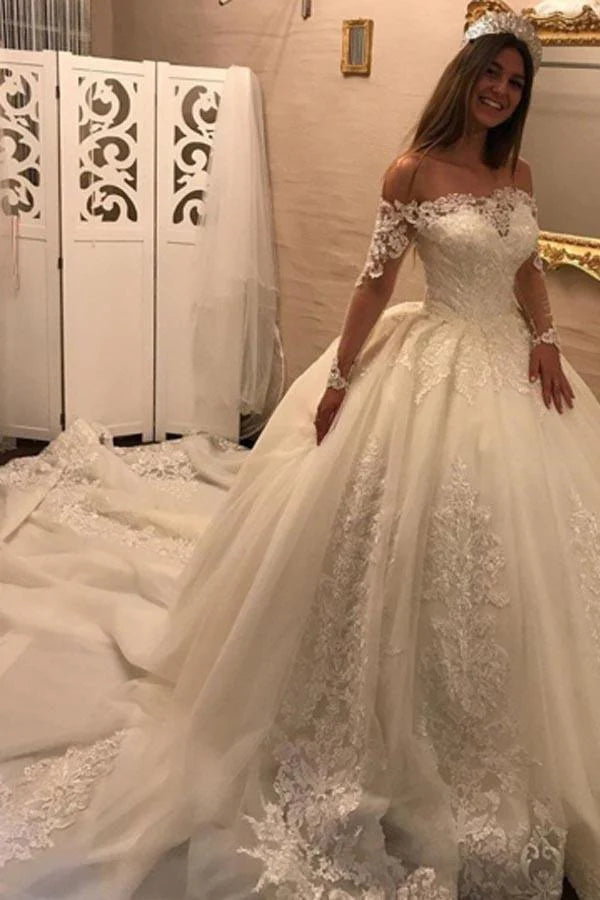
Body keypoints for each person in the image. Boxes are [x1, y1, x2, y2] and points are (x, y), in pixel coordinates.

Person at [1, 10, 600, 900]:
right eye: (493, 74)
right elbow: (375, 282)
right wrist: (340, 377)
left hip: (509, 367)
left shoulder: (519, 172)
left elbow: (522, 269)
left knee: (521, 550)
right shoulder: (411, 169)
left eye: (517, 83)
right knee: (402, 537)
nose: (502, 92)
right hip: (429, 362)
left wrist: (545, 337)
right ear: (466, 74)